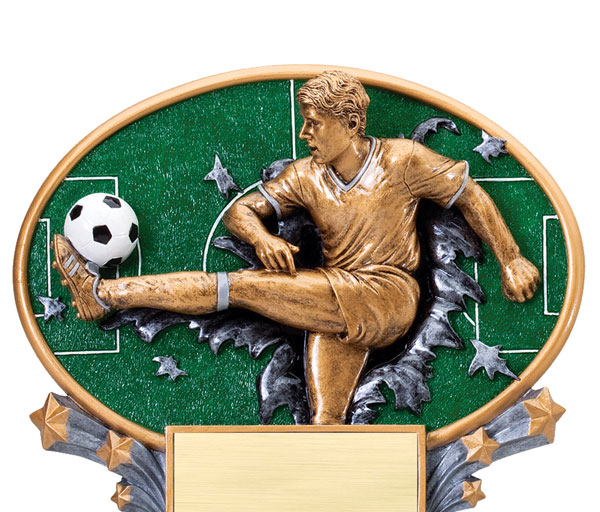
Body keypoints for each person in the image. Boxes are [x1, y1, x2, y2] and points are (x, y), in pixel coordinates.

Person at [53, 70, 540, 425]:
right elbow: (240, 212)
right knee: (326, 422)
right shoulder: (306, 176)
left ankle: (105, 294)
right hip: (337, 304)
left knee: (240, 287)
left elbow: (470, 195)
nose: (305, 134)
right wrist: (262, 237)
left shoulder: (403, 160)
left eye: (314, 123)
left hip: (388, 296)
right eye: (305, 122)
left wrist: (512, 258)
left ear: (351, 123)